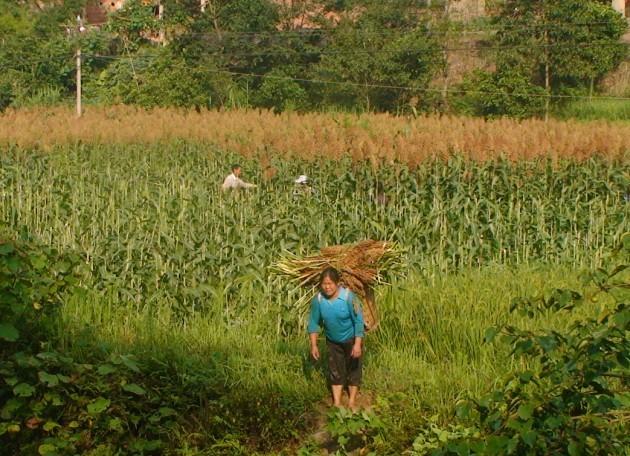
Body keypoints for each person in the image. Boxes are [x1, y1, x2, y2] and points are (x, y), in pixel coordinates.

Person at [308, 267, 365, 410]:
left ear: (337, 283)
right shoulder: (319, 300)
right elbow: (313, 323)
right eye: (324, 284)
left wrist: (357, 344)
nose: (327, 287)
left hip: (351, 340)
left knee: (353, 369)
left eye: (330, 284)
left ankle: (352, 402)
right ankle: (337, 403)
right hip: (332, 341)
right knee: (335, 371)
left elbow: (359, 321)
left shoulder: (348, 297)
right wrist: (314, 345)